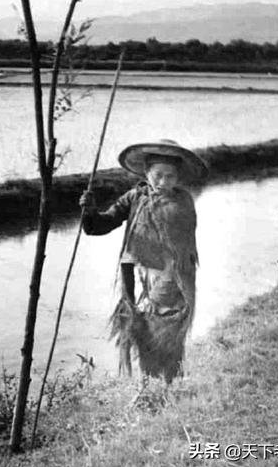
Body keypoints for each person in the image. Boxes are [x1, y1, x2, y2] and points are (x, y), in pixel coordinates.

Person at [80, 139, 208, 388]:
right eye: (158, 175)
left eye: (170, 176)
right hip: (137, 274)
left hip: (171, 276)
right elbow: (100, 226)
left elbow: (181, 248)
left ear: (178, 177)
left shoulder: (182, 203)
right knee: (139, 327)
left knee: (163, 326)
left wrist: (165, 273)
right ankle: (150, 385)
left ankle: (166, 384)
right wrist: (89, 210)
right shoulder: (136, 197)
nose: (163, 182)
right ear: (146, 173)